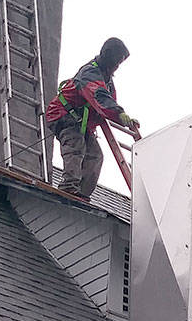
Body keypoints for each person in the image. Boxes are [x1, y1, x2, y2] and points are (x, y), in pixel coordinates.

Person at [45, 37, 139, 200]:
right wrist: (119, 114)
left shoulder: (107, 80)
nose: (117, 67)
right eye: (116, 62)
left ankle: (81, 193)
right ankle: (69, 187)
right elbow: (100, 97)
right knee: (75, 146)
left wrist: (124, 119)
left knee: (96, 155)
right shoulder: (90, 73)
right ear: (108, 58)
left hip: (80, 123)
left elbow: (108, 103)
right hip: (63, 115)